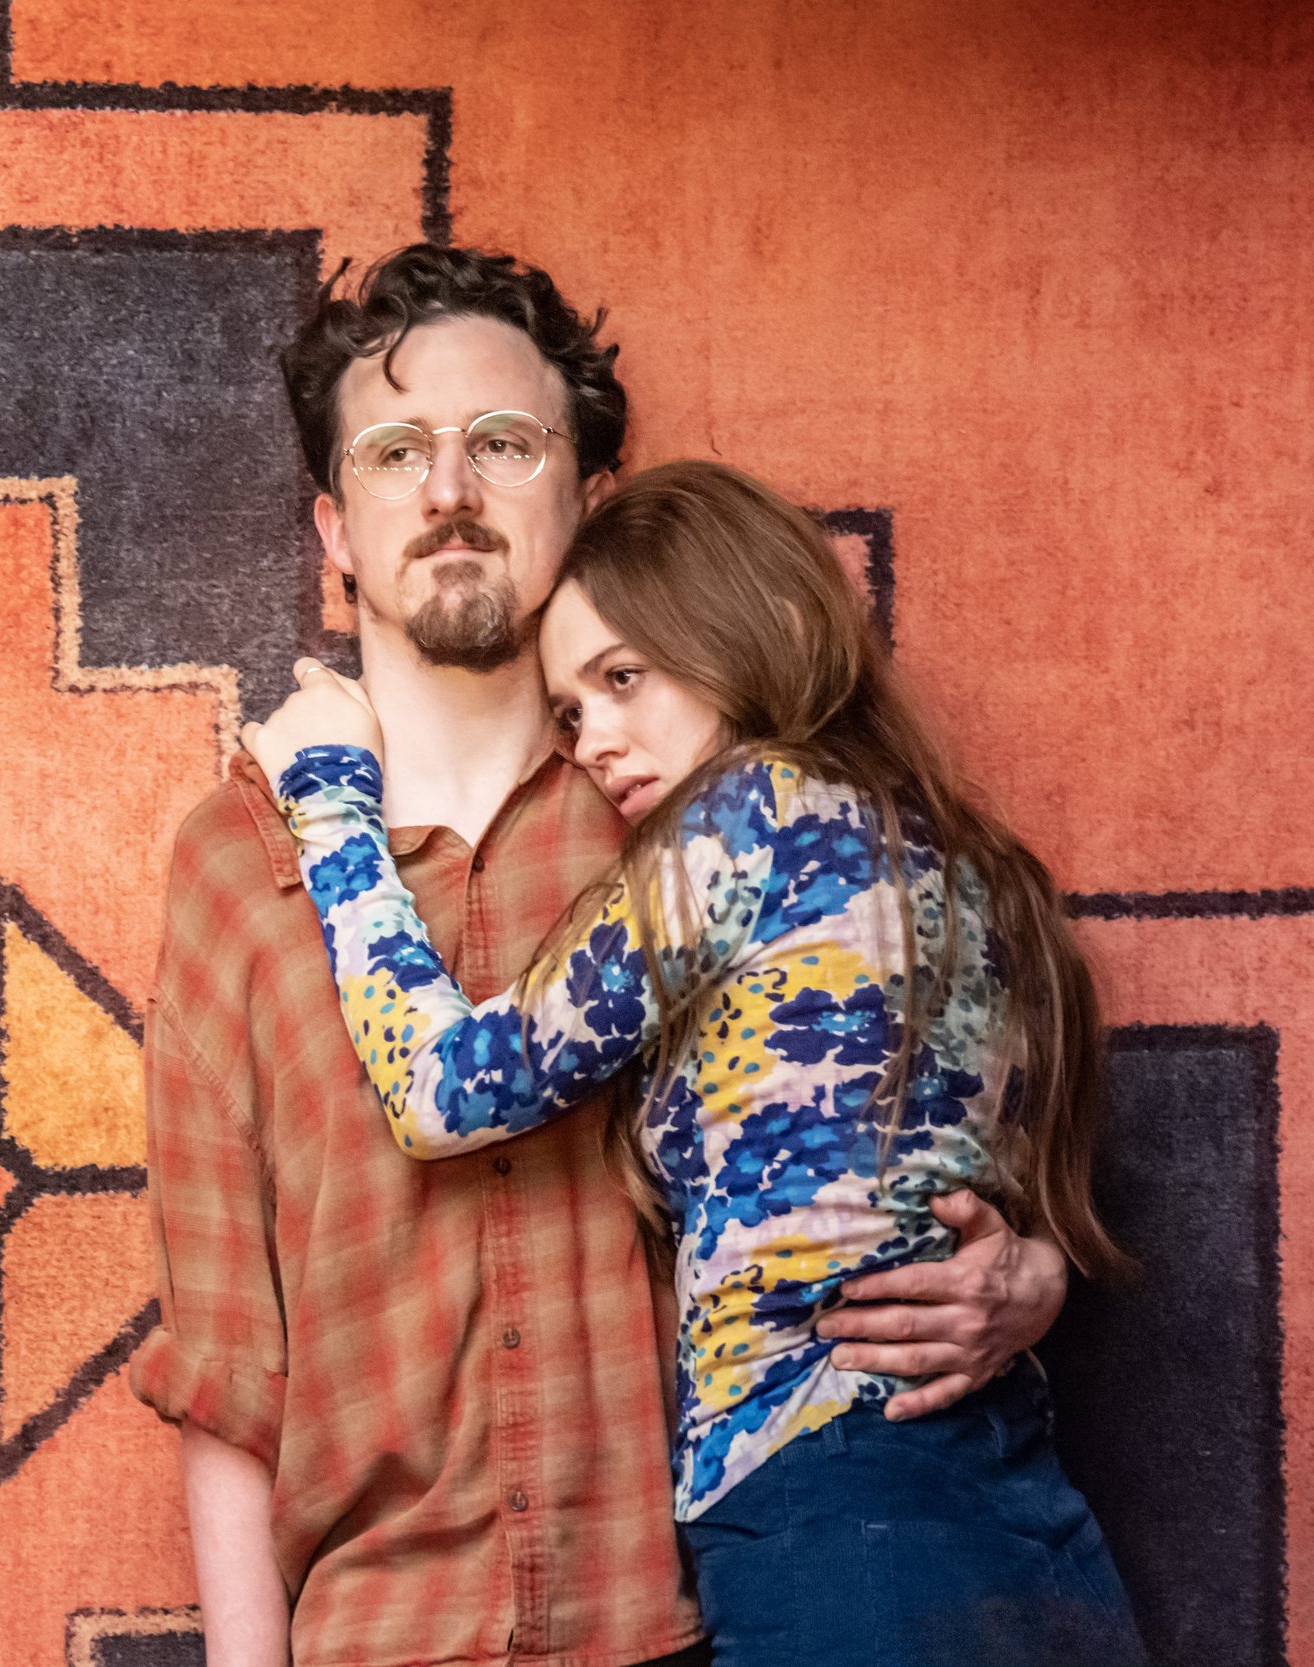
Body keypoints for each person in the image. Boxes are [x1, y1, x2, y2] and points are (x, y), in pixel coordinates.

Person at [127, 245, 1074, 1667]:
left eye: (503, 443)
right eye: (395, 452)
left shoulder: (697, 810)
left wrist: (1028, 1276)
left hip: (713, 1615)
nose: (448, 490)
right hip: (382, 1636)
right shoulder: (232, 861)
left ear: (590, 497)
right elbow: (224, 1360)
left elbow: (917, 1102)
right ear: (335, 530)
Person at [243, 459, 1148, 1667]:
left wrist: (331, 796)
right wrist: (1036, 1274)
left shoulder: (744, 814)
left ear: (763, 627)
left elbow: (444, 1088)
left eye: (624, 679)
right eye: (571, 713)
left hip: (839, 1514)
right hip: (1024, 1508)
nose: (596, 742)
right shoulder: (980, 865)